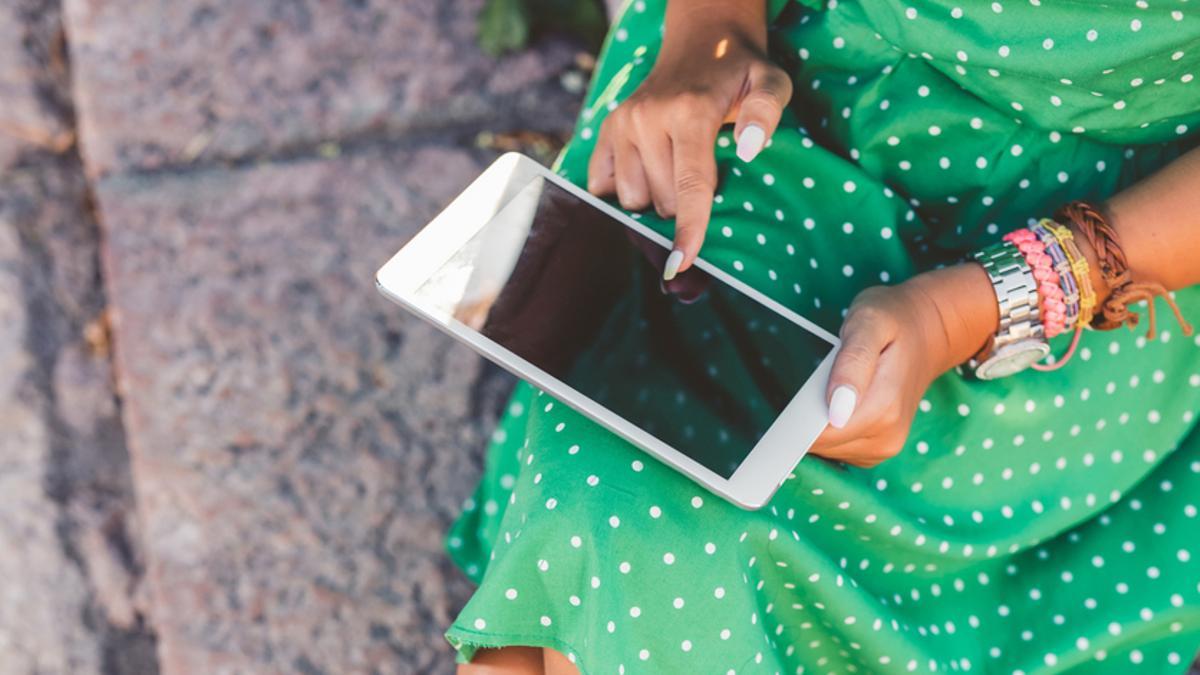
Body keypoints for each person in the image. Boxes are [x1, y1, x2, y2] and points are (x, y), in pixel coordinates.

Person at [444, 0, 1200, 672]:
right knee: (607, 495)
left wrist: (963, 313)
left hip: (1109, 234)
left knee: (630, 551)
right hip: (781, 83)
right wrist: (707, 33)